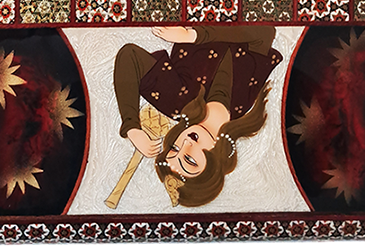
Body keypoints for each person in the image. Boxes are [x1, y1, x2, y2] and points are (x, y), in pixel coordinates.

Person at [113, 25, 281, 206]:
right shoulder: (245, 106)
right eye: (189, 159)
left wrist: (131, 127)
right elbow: (263, 32)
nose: (185, 143)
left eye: (174, 149)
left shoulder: (178, 102)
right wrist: (195, 36)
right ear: (215, 163)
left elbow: (130, 56)